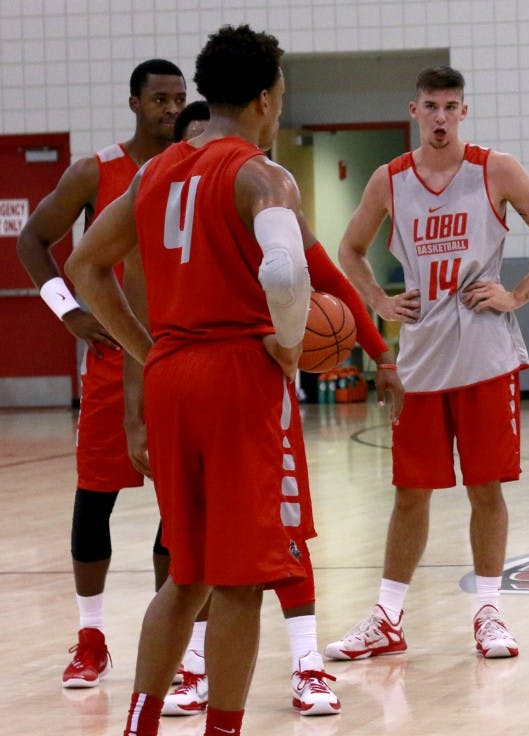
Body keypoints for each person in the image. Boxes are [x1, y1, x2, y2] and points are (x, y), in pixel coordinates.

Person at [66, 24, 323, 736]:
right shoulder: (263, 175)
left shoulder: (156, 171)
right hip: (239, 374)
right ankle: (223, 730)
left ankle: (140, 724)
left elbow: (85, 265)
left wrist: (148, 352)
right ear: (269, 96)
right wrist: (293, 343)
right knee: (239, 580)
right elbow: (284, 271)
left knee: (188, 572)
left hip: (173, 371)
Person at [154, 99, 403, 718]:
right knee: (190, 548)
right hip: (195, 383)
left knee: (283, 528)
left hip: (254, 386)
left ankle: (306, 664)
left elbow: (320, 274)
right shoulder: (168, 195)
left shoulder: (262, 195)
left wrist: (380, 354)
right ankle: (194, 663)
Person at [326, 65, 529, 661]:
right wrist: (379, 301)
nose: (441, 117)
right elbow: (348, 249)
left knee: (484, 488)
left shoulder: (496, 170)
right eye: (430, 106)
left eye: (451, 106)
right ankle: (387, 617)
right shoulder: (390, 180)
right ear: (413, 111)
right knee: (410, 493)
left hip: (487, 357)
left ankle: (488, 611)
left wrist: (516, 295)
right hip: (420, 361)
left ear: (464, 112)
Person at [15, 58, 186, 689]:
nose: (170, 109)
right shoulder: (96, 169)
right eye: (160, 99)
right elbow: (32, 238)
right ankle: (91, 639)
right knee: (94, 503)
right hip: (116, 363)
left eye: (179, 99)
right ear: (134, 102)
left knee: (179, 509)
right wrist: (68, 311)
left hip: (178, 357)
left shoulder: (193, 168)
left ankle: (176, 644)